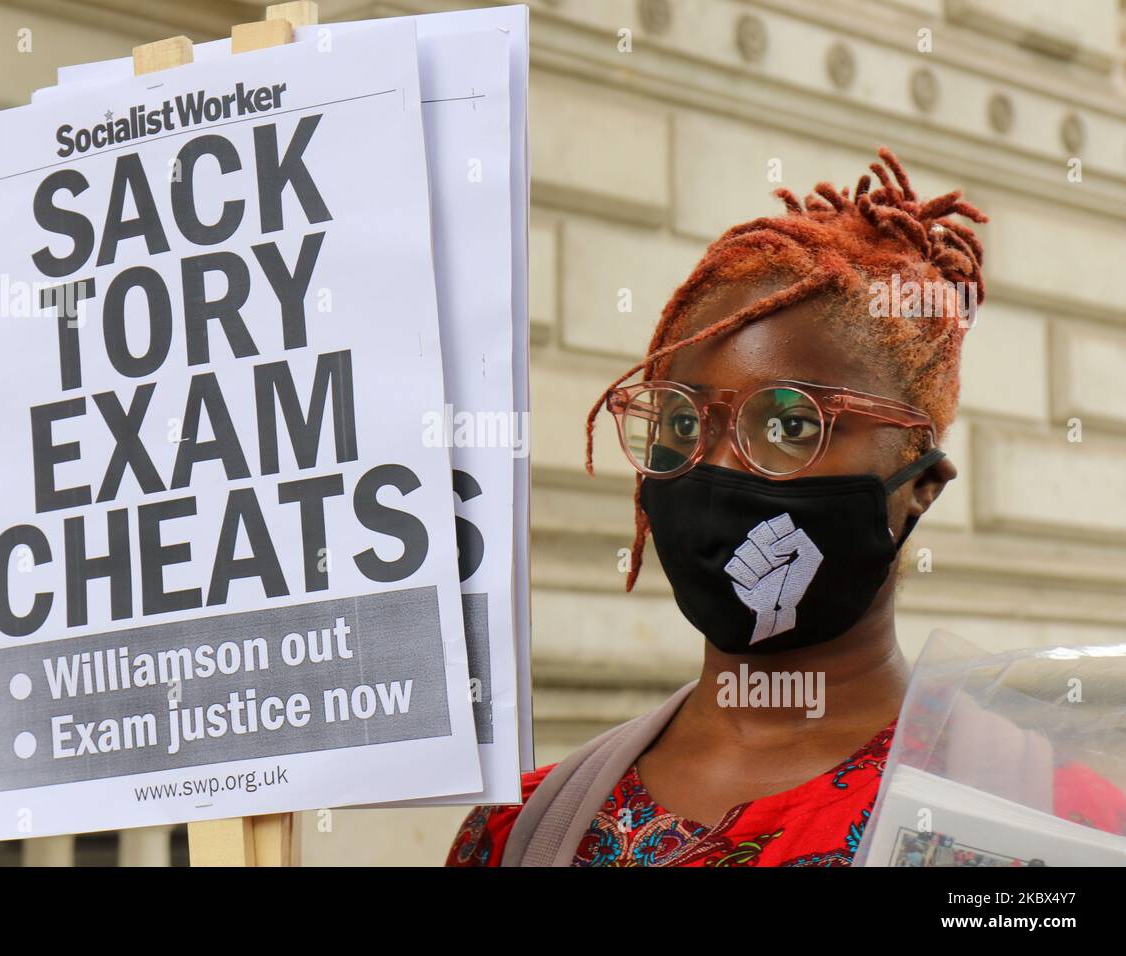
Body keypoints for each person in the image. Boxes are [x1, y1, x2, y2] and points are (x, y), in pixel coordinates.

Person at [446, 146, 1126, 867]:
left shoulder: (1054, 822)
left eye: (790, 425)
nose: (711, 466)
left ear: (920, 483)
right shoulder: (523, 832)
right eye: (680, 425)